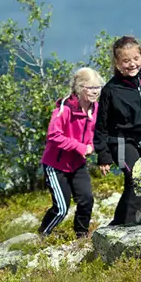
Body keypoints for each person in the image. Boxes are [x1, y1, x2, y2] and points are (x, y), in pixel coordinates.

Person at [94, 36, 141, 226]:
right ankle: (129, 227)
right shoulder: (111, 90)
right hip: (121, 141)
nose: (132, 64)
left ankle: (118, 221)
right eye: (126, 60)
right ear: (117, 63)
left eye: (136, 58)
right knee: (136, 177)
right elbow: (101, 126)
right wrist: (103, 155)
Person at [39, 67, 102, 238]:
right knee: (61, 208)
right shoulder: (64, 109)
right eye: (90, 88)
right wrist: (81, 147)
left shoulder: (96, 109)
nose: (95, 92)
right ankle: (42, 235)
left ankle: (81, 235)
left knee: (86, 200)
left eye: (97, 88)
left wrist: (91, 146)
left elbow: (98, 133)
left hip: (77, 164)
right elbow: (53, 135)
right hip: (56, 165)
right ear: (79, 88)